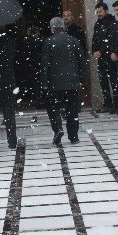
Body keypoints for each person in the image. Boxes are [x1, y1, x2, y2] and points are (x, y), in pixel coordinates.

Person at [40, 17, 86, 146]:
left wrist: (44, 83)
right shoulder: (74, 41)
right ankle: (74, 136)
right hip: (72, 82)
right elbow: (82, 62)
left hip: (55, 84)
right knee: (72, 111)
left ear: (52, 28)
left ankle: (58, 129)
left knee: (53, 109)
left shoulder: (48, 42)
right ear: (64, 27)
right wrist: (81, 79)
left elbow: (45, 65)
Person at [92, 2, 118, 114]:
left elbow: (110, 38)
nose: (99, 14)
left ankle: (116, 105)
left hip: (110, 56)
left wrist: (101, 50)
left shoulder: (112, 22)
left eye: (100, 11)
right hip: (101, 58)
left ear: (106, 11)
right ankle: (107, 104)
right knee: (103, 81)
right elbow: (94, 39)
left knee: (113, 81)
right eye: (97, 12)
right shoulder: (97, 24)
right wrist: (94, 51)